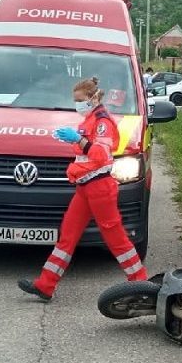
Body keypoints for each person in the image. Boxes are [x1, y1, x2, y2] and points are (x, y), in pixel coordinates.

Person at [18, 77, 148, 301]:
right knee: (67, 236)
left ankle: (140, 283)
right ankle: (45, 285)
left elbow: (98, 155)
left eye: (79, 100)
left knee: (115, 238)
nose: (76, 104)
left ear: (92, 98)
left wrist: (78, 139)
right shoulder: (89, 120)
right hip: (85, 187)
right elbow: (86, 151)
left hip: (99, 187)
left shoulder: (102, 122)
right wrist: (74, 140)